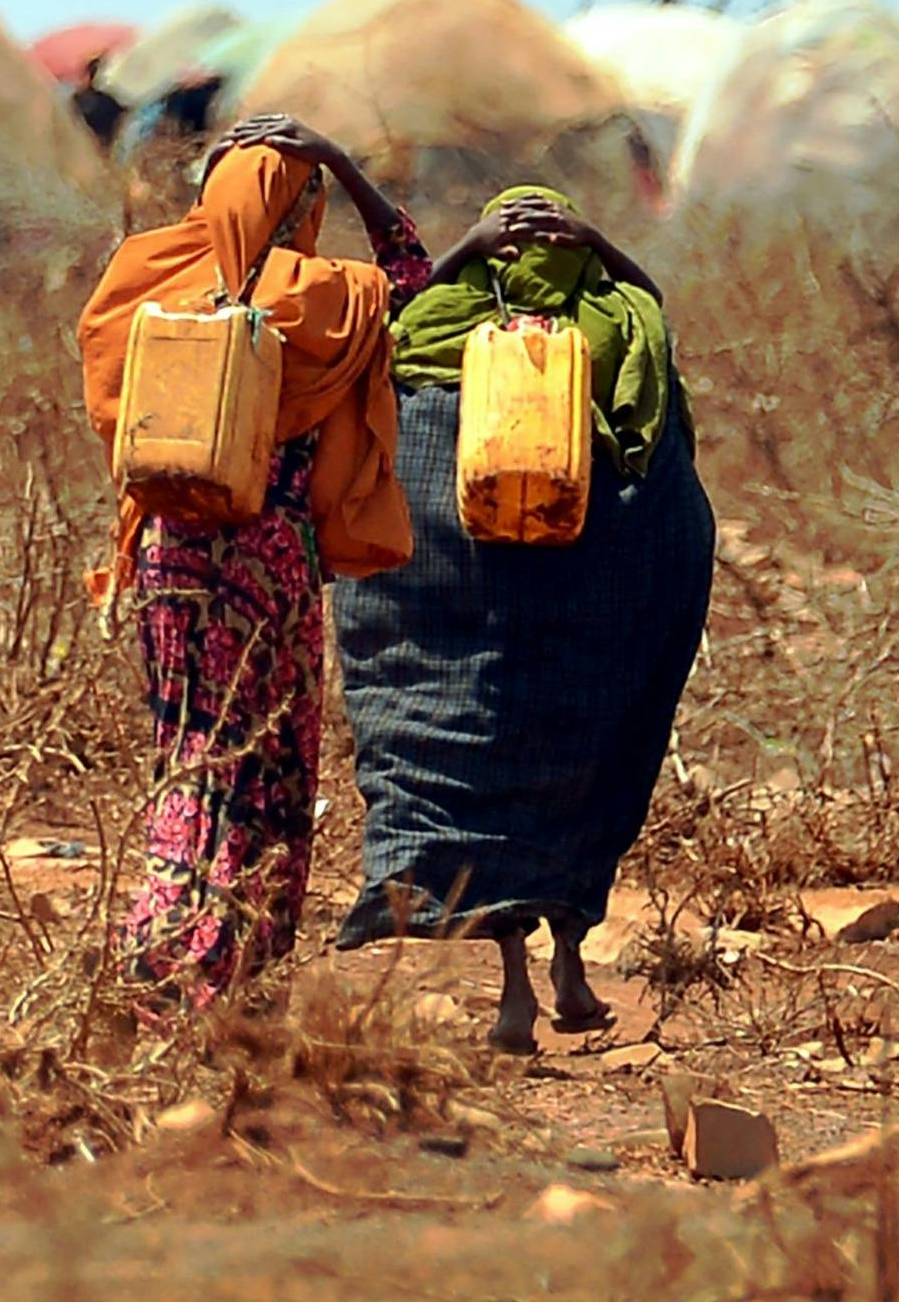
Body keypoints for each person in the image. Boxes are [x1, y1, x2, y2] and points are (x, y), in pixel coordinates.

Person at [330, 185, 712, 1051]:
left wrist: (465, 249)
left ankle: (515, 997)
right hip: (593, 615)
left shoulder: (438, 332)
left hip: (468, 621)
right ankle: (572, 970)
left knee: (491, 779)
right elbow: (655, 339)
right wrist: (603, 243)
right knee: (580, 773)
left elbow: (397, 348)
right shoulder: (618, 325)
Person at [89, 114, 432, 1009]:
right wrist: (343, 158)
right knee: (260, 761)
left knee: (188, 750)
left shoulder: (145, 276)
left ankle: (162, 946)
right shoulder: (324, 298)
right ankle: (223, 966)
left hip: (168, 557)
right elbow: (415, 277)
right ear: (302, 208)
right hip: (267, 563)